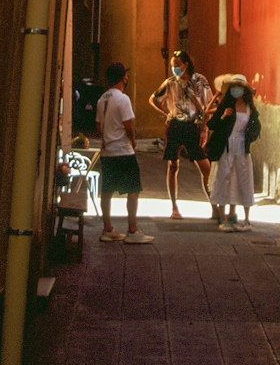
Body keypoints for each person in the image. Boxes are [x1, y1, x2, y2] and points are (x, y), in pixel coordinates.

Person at [149, 50, 213, 219]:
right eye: (172, 66)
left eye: (177, 65)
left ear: (186, 64)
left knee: (205, 167)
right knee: (173, 165)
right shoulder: (170, 83)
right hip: (175, 125)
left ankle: (215, 207)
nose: (174, 68)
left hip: (193, 126)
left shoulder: (199, 81)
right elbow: (153, 99)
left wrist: (204, 128)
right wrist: (167, 113)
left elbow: (208, 106)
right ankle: (174, 207)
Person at [95, 62, 153, 244]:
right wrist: (133, 141)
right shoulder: (123, 99)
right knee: (133, 189)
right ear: (123, 78)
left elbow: (98, 126)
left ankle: (108, 228)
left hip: (107, 151)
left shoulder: (101, 99)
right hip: (123, 150)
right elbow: (129, 124)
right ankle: (132, 230)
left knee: (107, 190)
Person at [206, 75, 261, 230]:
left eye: (240, 87)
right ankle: (223, 217)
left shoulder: (251, 108)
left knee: (243, 178)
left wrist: (250, 138)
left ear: (245, 90)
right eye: (234, 87)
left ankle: (246, 219)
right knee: (224, 177)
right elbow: (212, 124)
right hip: (227, 146)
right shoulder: (226, 106)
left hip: (243, 147)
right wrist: (224, 116)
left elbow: (256, 127)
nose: (237, 90)